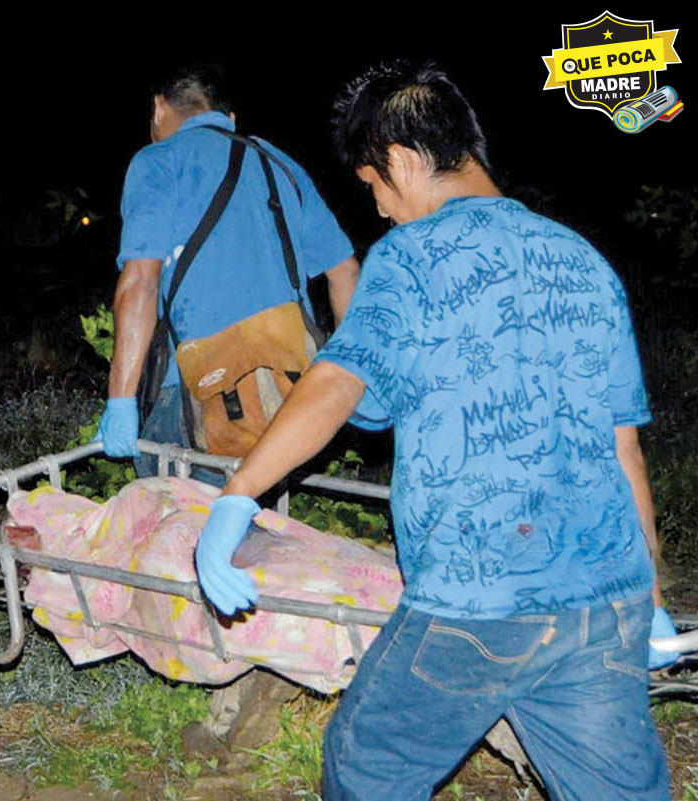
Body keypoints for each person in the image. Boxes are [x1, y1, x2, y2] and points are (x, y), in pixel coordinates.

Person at [194, 61, 676, 800]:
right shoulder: (585, 263)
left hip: (476, 602)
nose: (381, 210)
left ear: (408, 161)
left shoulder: (409, 258)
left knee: (367, 766)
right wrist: (647, 589)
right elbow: (624, 448)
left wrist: (239, 493)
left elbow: (336, 383)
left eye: (375, 186)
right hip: (603, 602)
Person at [96, 65, 360, 474]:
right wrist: (344, 380)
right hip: (288, 399)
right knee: (251, 528)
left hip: (197, 398)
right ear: (230, 119)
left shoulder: (158, 162)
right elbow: (345, 273)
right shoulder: (280, 164)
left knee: (179, 530)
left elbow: (140, 284)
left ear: (158, 108)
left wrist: (121, 402)